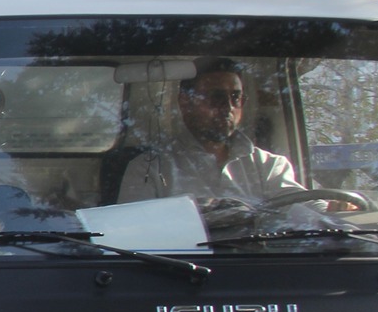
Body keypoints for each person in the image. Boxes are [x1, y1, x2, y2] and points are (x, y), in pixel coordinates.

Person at [118, 59, 306, 204]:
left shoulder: (269, 166)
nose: (228, 107)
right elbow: (135, 232)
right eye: (216, 97)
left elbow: (304, 210)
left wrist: (324, 211)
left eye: (236, 98)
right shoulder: (149, 169)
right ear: (185, 103)